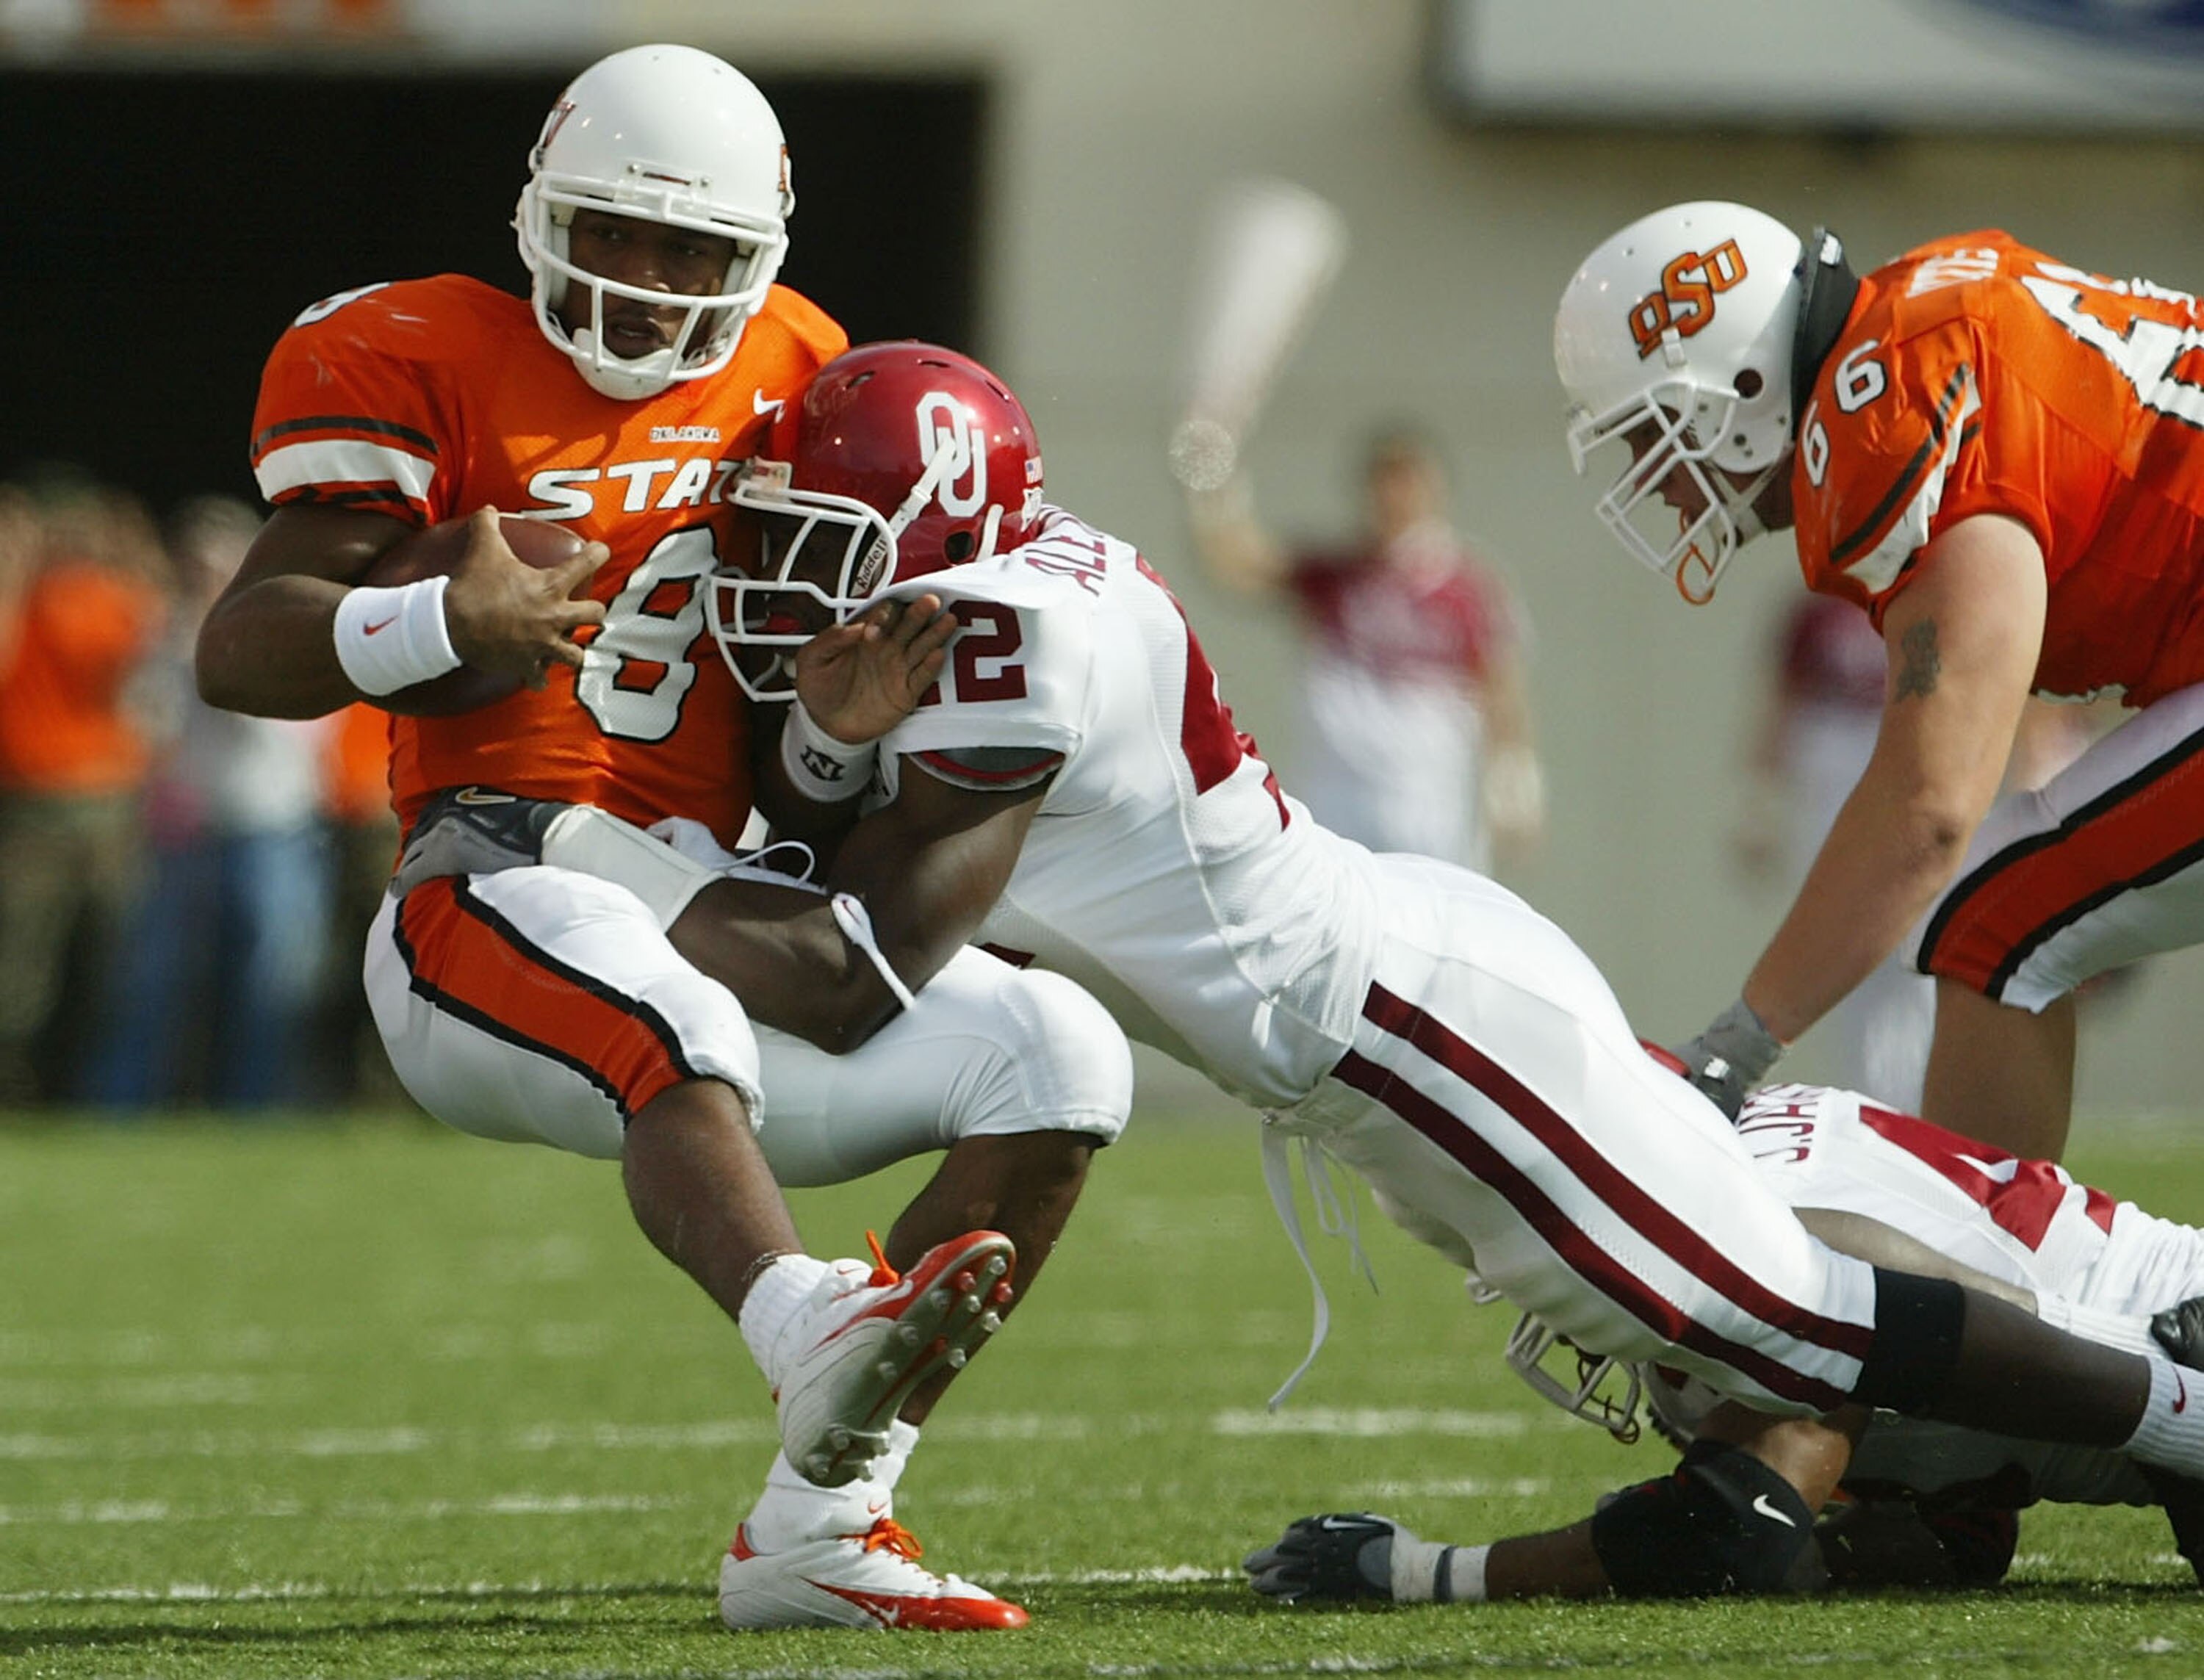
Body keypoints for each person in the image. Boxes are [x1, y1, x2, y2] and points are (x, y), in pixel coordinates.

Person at [397, 341, 2204, 1598]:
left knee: (1780, 1323)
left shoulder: (1019, 651)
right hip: (1388, 1007)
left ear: (942, 548)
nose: (792, 595)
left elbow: (855, 965)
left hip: (1409, 1028)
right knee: (1751, 1332)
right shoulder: (981, 605)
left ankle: (2181, 1407)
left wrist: (562, 843)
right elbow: (832, 860)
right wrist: (796, 763)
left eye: (830, 558)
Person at [192, 47, 1132, 1633]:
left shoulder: (798, 365)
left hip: (700, 881)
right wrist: (436, 617)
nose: (641, 281)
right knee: (667, 1002)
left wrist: (831, 730)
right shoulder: (422, 351)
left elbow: (800, 764)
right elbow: (242, 646)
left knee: (1060, 1059)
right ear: (543, 217)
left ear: (753, 262)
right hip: (485, 888)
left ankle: (824, 1524)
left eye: (686, 249)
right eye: (612, 232)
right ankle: (803, 1318)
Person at [1552, 203, 2204, 1162]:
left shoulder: (1890, 413)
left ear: (1736, 388)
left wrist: (1733, 1046)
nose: (1655, 481)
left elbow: (1931, 803)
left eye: (1654, 434)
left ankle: (1991, 1286)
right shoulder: (1918, 313)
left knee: (1994, 917)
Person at [1245, 1073, 2204, 1603]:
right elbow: (1964, 1525)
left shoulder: (1771, 1232)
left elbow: (1737, 1531)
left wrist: (1422, 1569)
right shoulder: (1738, 1146)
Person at [1185, 431, 1542, 870]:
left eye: (1409, 482)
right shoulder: (1336, 577)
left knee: (1428, 930)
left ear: (1434, 490)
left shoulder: (1467, 587)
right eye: (1385, 482)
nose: (1395, 496)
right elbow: (1237, 565)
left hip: (1430, 801)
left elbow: (1500, 683)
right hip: (1337, 801)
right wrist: (1210, 482)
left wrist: (1513, 773)